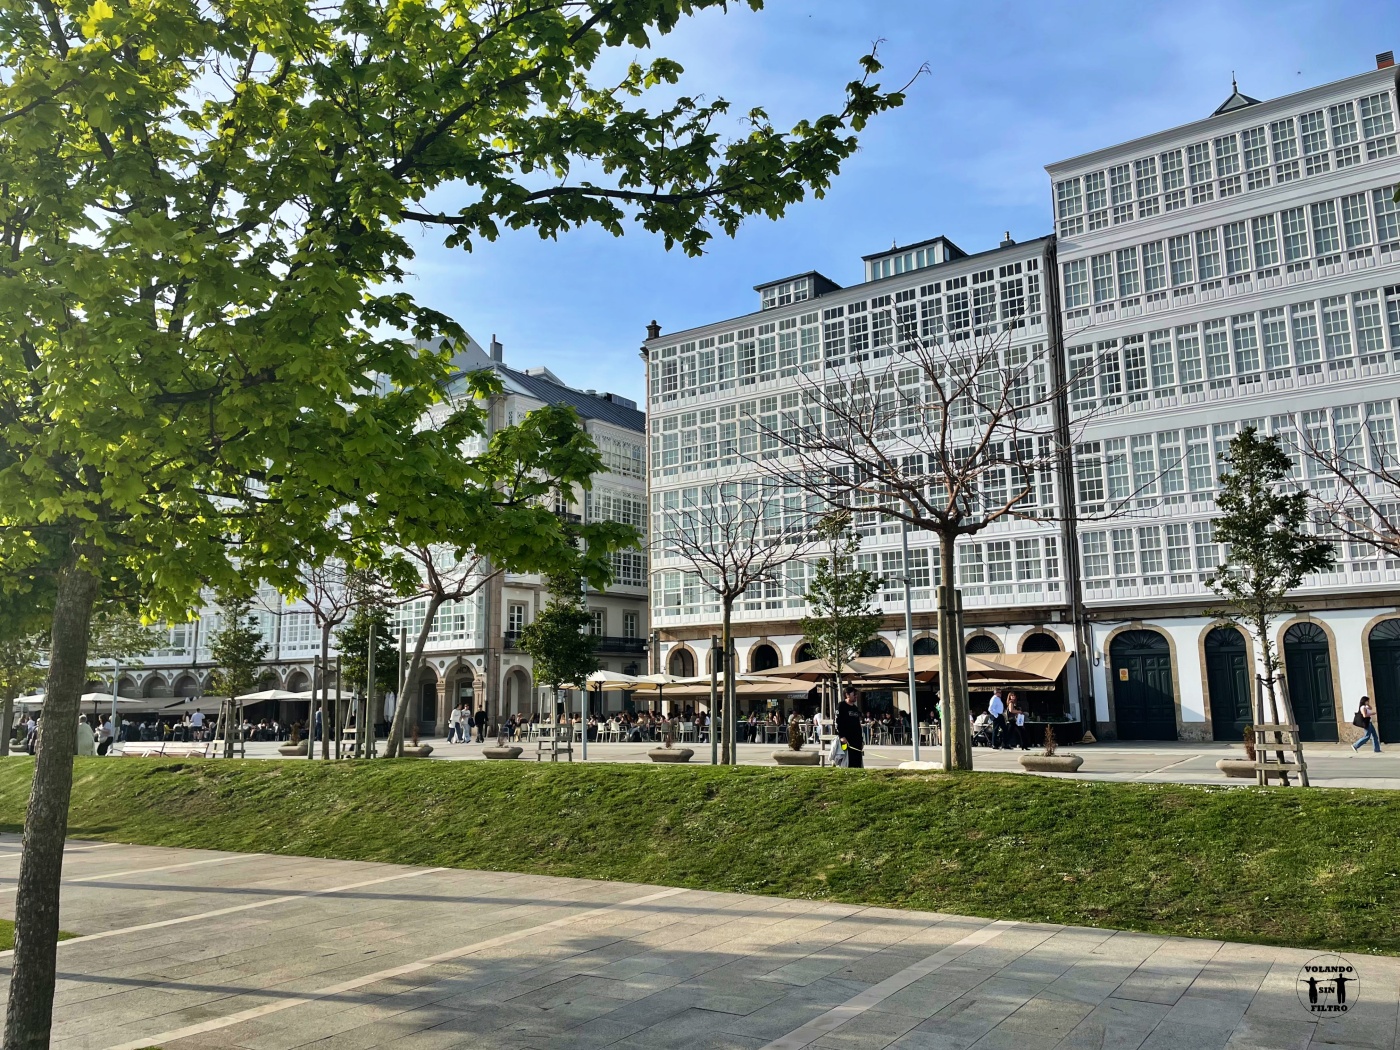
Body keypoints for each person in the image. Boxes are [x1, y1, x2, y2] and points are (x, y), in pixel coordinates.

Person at [836, 687, 865, 769]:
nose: (856, 696)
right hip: (846, 740)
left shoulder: (855, 708)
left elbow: (858, 725)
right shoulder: (841, 706)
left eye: (856, 694)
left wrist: (861, 740)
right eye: (854, 694)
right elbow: (837, 722)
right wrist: (841, 736)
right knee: (847, 760)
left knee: (857, 761)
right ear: (847, 695)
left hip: (857, 739)